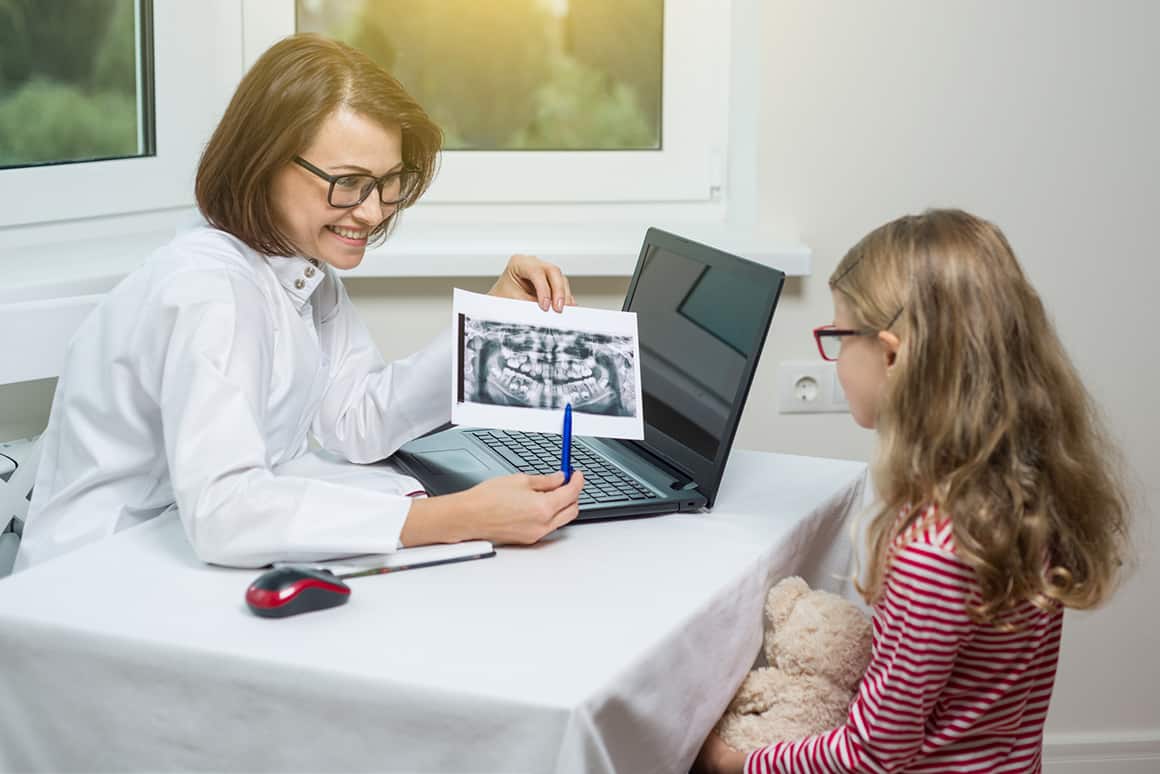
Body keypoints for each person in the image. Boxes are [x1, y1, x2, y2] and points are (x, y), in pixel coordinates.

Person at [15, 34, 585, 571]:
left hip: (177, 549)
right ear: (262, 161)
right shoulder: (211, 293)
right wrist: (450, 518)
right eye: (348, 181)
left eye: (390, 183)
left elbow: (357, 422)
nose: (372, 211)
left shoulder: (299, 271)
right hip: (98, 577)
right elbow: (225, 513)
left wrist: (489, 319)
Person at [694, 209, 1129, 773]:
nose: (837, 359)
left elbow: (876, 753)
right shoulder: (1021, 496)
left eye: (838, 337)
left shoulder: (935, 553)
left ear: (893, 354)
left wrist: (737, 764)